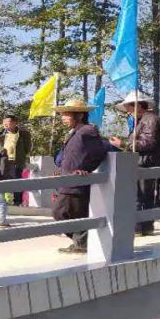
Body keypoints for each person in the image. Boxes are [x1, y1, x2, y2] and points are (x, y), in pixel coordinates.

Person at [110, 92, 160, 236]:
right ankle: (143, 226)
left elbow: (147, 143)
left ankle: (140, 226)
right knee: (141, 195)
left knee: (142, 195)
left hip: (147, 163)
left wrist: (122, 144)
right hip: (144, 162)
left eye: (129, 107)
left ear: (138, 106)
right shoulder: (143, 120)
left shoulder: (149, 119)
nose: (128, 111)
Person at [52, 99, 108, 254]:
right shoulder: (77, 131)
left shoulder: (87, 131)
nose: (63, 117)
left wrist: (85, 168)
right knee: (73, 213)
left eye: (66, 114)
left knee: (60, 212)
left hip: (76, 182)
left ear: (79, 115)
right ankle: (81, 243)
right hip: (69, 180)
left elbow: (98, 153)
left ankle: (82, 243)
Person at [1, 114, 31, 207]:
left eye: (8, 122)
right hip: (3, 161)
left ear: (15, 123)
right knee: (2, 181)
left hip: (16, 161)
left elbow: (27, 148)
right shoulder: (0, 134)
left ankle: (17, 202)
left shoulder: (23, 134)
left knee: (17, 181)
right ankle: (2, 201)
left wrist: (20, 155)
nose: (6, 124)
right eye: (4, 122)